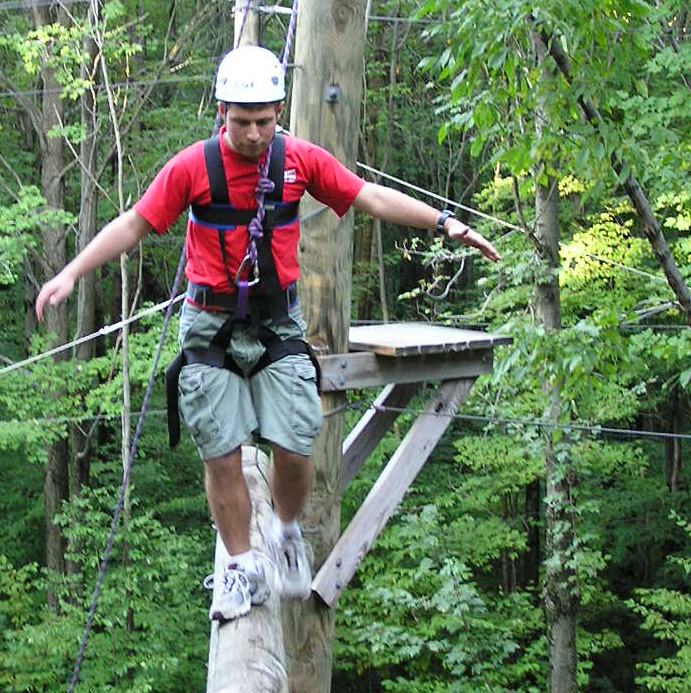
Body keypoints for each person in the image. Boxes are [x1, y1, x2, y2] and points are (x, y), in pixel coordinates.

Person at [35, 45, 500, 623]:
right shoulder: (193, 168)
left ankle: (283, 532)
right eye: (241, 121)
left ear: (279, 112)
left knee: (295, 437)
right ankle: (240, 567)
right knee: (222, 450)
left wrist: (446, 223)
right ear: (222, 112)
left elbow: (367, 197)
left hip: (277, 319)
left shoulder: (299, 161)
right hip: (210, 320)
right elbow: (135, 222)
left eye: (265, 120)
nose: (254, 133)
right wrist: (71, 273)